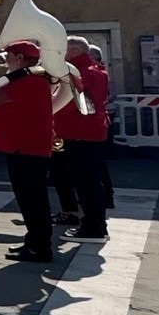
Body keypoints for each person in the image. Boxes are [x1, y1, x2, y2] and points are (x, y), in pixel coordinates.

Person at [0, 41, 58, 260]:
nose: (5, 61)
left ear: (19, 58)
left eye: (8, 56)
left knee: (32, 200)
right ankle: (34, 243)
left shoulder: (28, 81)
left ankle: (39, 247)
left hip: (26, 148)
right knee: (29, 199)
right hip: (23, 146)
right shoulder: (26, 80)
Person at [50, 38, 110, 237]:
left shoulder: (80, 73)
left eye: (64, 49)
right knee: (89, 181)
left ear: (74, 50)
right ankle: (95, 223)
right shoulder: (94, 69)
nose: (61, 53)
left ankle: (93, 227)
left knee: (85, 182)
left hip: (79, 132)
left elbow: (71, 104)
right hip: (88, 131)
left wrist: (49, 106)